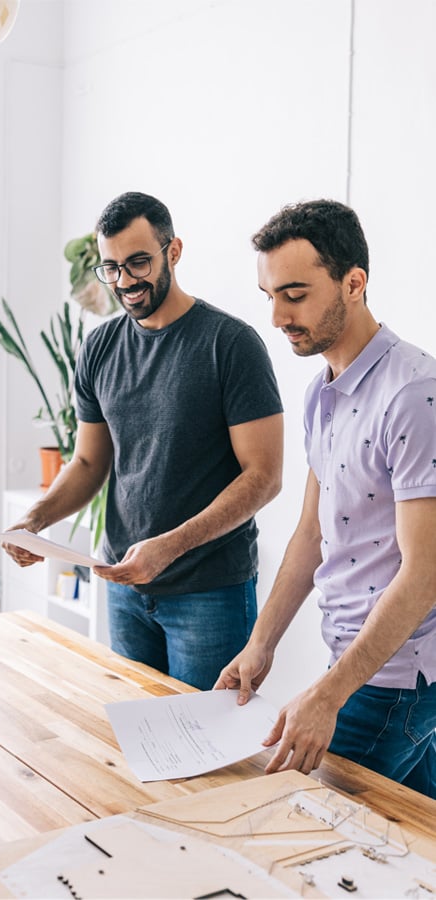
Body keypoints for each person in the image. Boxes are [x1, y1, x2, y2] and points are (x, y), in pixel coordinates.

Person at [3, 192, 284, 690]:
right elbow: (90, 462)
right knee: (138, 740)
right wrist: (35, 519)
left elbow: (264, 478)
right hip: (125, 586)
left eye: (138, 262)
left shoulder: (230, 345)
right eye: (111, 268)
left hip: (209, 592)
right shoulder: (100, 347)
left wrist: (168, 548)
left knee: (210, 749)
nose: (125, 281)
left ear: (173, 252)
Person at [215, 199, 436, 798]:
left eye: (295, 293)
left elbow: (424, 576)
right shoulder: (321, 393)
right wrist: (260, 645)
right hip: (355, 664)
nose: (278, 316)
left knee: (306, 829)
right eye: (269, 296)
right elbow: (312, 536)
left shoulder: (416, 394)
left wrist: (329, 694)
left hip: (399, 679)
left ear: (353, 284)